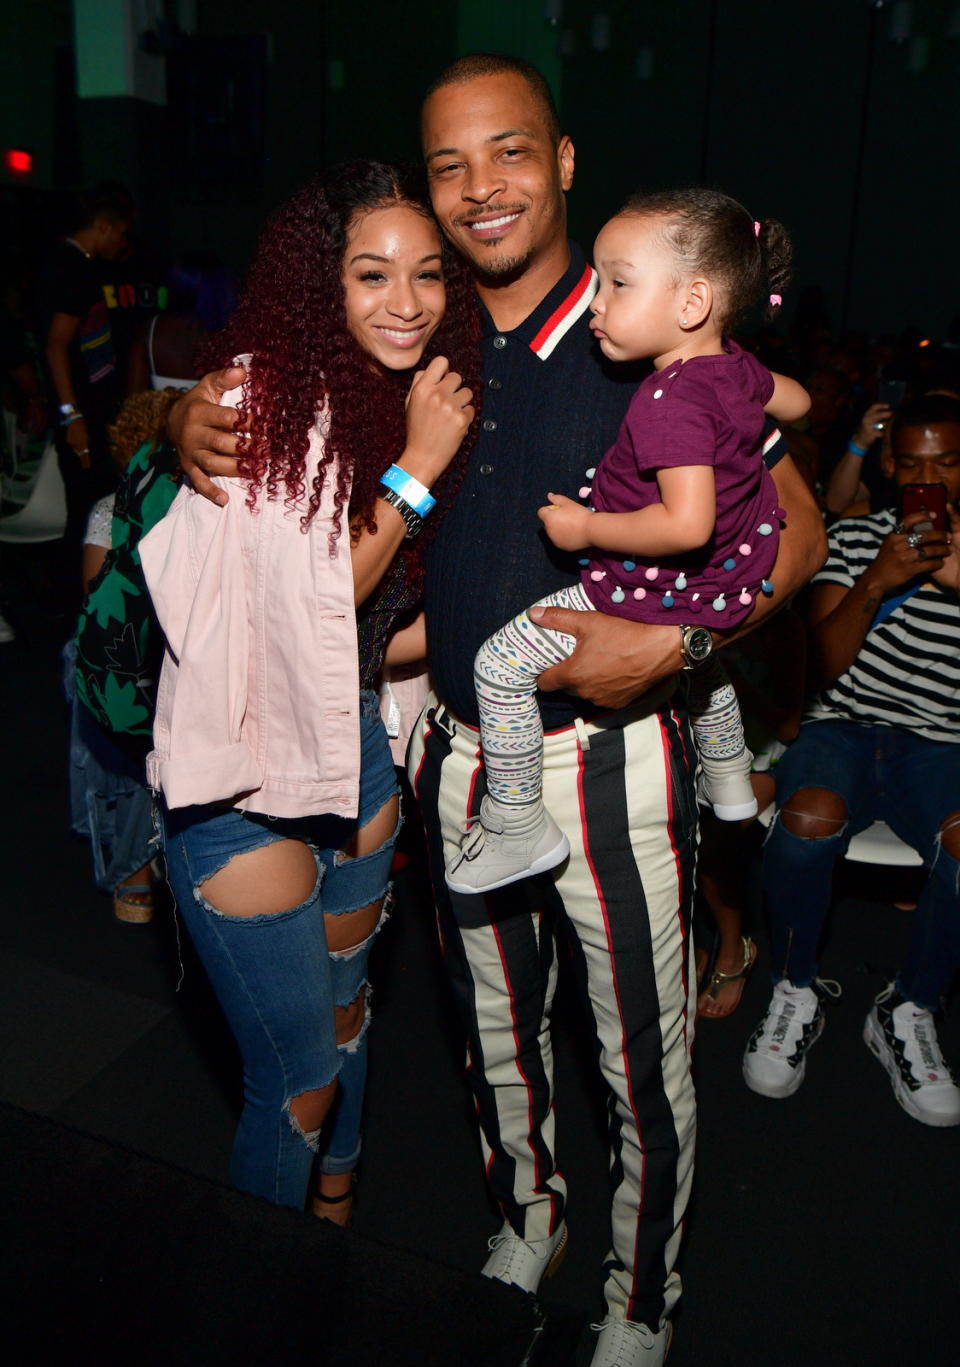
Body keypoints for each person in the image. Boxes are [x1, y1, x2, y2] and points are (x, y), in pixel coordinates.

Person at [167, 56, 825, 1366]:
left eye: (510, 153)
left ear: (566, 161)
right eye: (452, 165)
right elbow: (283, 403)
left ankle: (642, 1301)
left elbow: (800, 528)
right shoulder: (424, 328)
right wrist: (187, 412)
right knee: (495, 1034)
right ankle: (529, 1215)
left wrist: (684, 635)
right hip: (459, 755)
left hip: (613, 761)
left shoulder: (652, 328)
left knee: (637, 1060)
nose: (483, 189)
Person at [140, 162, 478, 1221]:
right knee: (297, 1079)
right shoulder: (256, 395)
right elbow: (322, 590)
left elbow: (385, 619)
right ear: (315, 285)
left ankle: (337, 1204)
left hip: (355, 756)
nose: (408, 301)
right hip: (243, 781)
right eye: (372, 275)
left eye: (427, 274)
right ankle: (273, 1293)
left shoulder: (399, 390)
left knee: (348, 1016)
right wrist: (421, 465)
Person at [446, 189, 810, 894]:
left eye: (618, 284)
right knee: (702, 664)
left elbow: (684, 526)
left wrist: (585, 528)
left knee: (498, 665)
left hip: (660, 582)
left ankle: (518, 823)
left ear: (691, 303)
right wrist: (755, 395)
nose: (596, 304)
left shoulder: (668, 399)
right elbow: (796, 402)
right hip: (732, 573)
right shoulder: (732, 366)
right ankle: (731, 777)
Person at [743, 393, 960, 1128]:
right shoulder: (861, 533)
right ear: (894, 467)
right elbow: (822, 670)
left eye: (950, 462)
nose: (933, 477)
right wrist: (877, 582)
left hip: (939, 742)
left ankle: (910, 1005)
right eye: (917, 462)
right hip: (842, 726)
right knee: (808, 818)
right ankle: (793, 985)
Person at [35, 188, 133, 592]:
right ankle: (78, 606)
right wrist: (71, 415)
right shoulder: (71, 266)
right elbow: (56, 343)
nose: (122, 243)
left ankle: (75, 599)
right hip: (82, 414)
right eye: (121, 233)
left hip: (87, 409)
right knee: (87, 509)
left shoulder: (70, 262)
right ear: (104, 227)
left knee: (87, 506)